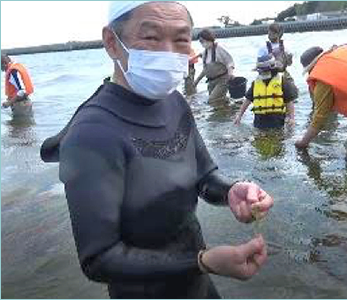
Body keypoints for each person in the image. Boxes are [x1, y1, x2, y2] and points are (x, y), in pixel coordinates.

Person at [40, 1, 273, 299]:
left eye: (180, 40)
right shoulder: (91, 133)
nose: (168, 52)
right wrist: (202, 261)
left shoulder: (174, 101)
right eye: (151, 38)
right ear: (112, 42)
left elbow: (204, 175)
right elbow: (98, 260)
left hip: (198, 284)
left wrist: (231, 191)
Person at [234, 56, 296, 129]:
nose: (263, 73)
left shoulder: (282, 81)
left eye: (265, 71)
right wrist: (239, 115)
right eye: (261, 71)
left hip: (277, 119)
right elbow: (247, 100)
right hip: (259, 120)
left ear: (273, 69)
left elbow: (289, 101)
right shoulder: (256, 83)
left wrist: (292, 118)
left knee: (277, 137)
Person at [257, 22, 298, 99]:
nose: (269, 35)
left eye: (272, 33)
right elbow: (259, 65)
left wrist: (289, 58)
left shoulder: (286, 46)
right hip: (268, 74)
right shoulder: (263, 48)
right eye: (269, 32)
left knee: (293, 93)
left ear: (278, 34)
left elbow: (289, 64)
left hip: (283, 73)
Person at [193, 29, 235, 104]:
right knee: (218, 103)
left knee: (212, 100)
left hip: (222, 80)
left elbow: (229, 62)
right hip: (211, 82)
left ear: (209, 39)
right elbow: (206, 69)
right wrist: (197, 80)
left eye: (203, 41)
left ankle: (231, 110)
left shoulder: (219, 49)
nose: (202, 43)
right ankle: (231, 109)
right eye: (200, 42)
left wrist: (230, 74)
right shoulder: (205, 52)